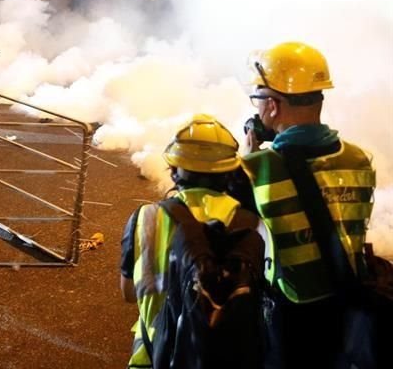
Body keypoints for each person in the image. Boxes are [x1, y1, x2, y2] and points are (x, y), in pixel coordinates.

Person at [240, 41, 376, 369]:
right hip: (347, 300)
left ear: (273, 106)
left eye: (258, 98)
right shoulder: (359, 159)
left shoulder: (258, 168)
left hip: (291, 312)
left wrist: (248, 160)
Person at [120, 115, 262, 369]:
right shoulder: (251, 222)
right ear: (229, 173)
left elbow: (129, 292)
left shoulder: (147, 217)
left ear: (175, 172)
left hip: (154, 356)